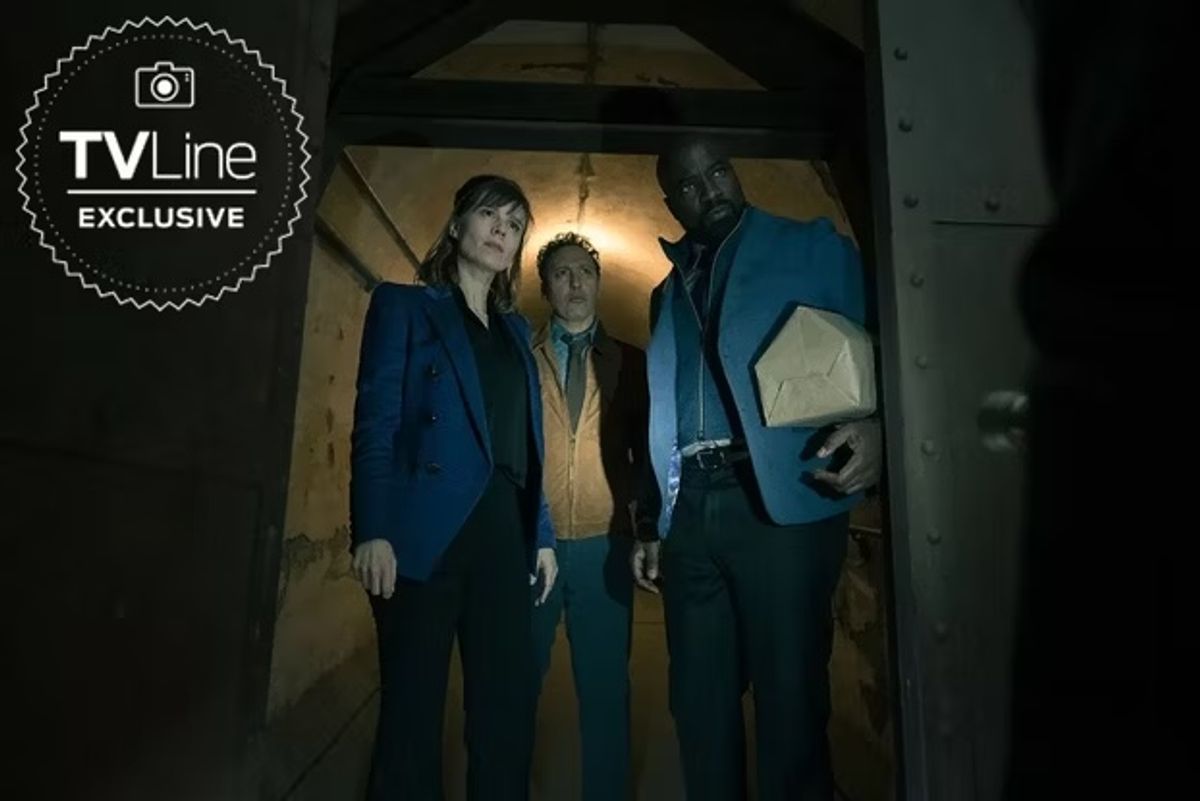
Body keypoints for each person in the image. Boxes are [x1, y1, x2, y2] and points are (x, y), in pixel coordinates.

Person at [631, 136, 882, 801]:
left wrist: (881, 425)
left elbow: (892, 339)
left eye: (718, 172)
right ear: (671, 203)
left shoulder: (813, 246)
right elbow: (660, 407)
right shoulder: (664, 292)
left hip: (780, 500)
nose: (710, 190)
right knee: (698, 703)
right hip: (690, 514)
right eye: (690, 185)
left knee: (790, 700)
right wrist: (653, 520)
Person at [349, 174, 558, 801]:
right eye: (490, 214)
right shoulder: (404, 307)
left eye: (515, 225)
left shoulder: (516, 333)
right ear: (457, 225)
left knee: (506, 711)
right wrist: (373, 529)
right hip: (423, 535)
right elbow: (377, 423)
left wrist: (541, 534)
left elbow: (525, 444)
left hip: (502, 533)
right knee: (411, 715)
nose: (502, 230)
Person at [528, 232, 649, 801]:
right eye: (561, 273)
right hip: (532, 546)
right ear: (545, 288)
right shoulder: (521, 358)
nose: (575, 282)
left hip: (606, 546)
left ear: (599, 282)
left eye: (584, 271)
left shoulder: (631, 362)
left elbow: (648, 456)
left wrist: (645, 530)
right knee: (515, 683)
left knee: (604, 689)